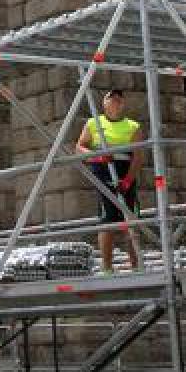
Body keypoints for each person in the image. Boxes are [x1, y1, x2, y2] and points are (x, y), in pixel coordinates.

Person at [76, 89, 142, 274]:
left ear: (123, 104)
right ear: (103, 103)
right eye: (111, 98)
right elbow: (80, 147)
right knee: (107, 219)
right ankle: (107, 267)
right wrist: (96, 157)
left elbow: (138, 157)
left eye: (119, 99)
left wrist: (128, 179)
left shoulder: (133, 126)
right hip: (104, 171)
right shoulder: (93, 123)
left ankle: (136, 265)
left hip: (124, 169)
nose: (115, 101)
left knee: (131, 218)